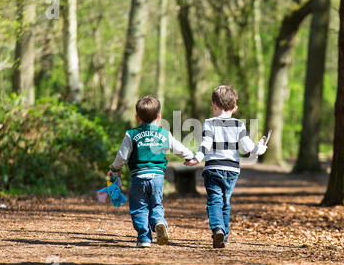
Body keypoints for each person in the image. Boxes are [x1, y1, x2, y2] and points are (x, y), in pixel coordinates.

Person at [185, 85, 268, 248]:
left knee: (214, 200)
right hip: (232, 170)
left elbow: (205, 144)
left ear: (213, 105)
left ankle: (218, 229)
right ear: (235, 108)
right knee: (225, 201)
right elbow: (248, 147)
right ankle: (224, 236)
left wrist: (197, 158)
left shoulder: (209, 123)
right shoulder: (239, 124)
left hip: (213, 168)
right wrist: (260, 149)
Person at [108, 96, 194, 248]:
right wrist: (190, 157)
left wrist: (115, 169)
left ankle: (144, 238)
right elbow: (178, 148)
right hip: (157, 177)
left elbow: (122, 155)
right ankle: (159, 222)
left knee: (139, 207)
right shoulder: (164, 134)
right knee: (156, 204)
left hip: (138, 177)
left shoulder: (131, 134)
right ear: (159, 117)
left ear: (136, 117)